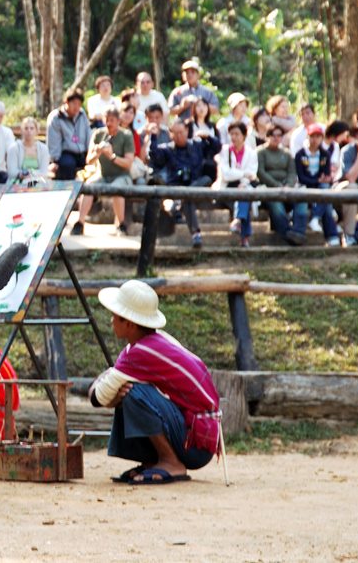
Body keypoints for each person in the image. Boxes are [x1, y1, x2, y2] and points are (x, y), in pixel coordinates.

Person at [89, 280, 219, 485]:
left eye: (115, 316)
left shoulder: (138, 354)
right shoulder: (153, 341)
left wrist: (102, 380)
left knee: (133, 392)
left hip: (196, 445)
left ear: (129, 324)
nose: (111, 320)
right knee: (129, 390)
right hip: (201, 436)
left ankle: (171, 462)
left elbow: (97, 397)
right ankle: (155, 460)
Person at [149, 119, 214, 248]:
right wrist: (153, 137)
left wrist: (209, 137)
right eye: (176, 133)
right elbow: (155, 156)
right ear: (171, 134)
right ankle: (196, 235)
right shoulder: (167, 149)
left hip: (196, 186)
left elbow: (216, 148)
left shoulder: (196, 145)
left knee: (206, 179)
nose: (179, 135)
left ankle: (181, 200)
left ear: (187, 131)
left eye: (181, 132)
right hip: (177, 189)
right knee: (187, 199)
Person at [75, 108, 135, 236]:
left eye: (112, 120)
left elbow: (128, 163)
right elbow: (89, 161)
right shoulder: (98, 134)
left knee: (116, 188)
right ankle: (80, 223)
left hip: (122, 176)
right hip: (102, 175)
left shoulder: (126, 135)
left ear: (118, 121)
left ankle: (121, 224)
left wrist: (112, 156)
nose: (109, 123)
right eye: (106, 120)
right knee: (88, 187)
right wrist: (97, 153)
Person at [256, 126, 305, 245]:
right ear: (267, 136)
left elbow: (292, 172)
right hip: (269, 188)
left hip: (287, 187)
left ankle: (298, 231)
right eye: (273, 135)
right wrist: (276, 185)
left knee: (302, 200)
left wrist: (288, 185)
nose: (276, 138)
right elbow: (261, 172)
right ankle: (286, 232)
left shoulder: (287, 153)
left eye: (279, 135)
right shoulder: (260, 152)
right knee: (275, 202)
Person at [294, 124, 341, 246]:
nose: (315, 140)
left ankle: (315, 218)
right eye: (312, 136)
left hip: (320, 186)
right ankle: (332, 234)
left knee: (325, 192)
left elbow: (325, 174)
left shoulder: (325, 154)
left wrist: (322, 180)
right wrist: (317, 181)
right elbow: (301, 176)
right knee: (326, 200)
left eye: (318, 136)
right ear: (308, 137)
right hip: (304, 185)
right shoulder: (300, 155)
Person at [214, 122, 258, 247]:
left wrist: (243, 180)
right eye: (231, 134)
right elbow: (225, 174)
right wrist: (243, 174)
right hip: (226, 187)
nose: (234, 137)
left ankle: (238, 221)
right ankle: (245, 236)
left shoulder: (251, 153)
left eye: (237, 134)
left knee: (244, 193)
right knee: (244, 197)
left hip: (243, 187)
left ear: (244, 136)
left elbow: (252, 173)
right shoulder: (224, 150)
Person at [46, 84, 91, 189]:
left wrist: (90, 152)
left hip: (82, 151)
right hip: (65, 152)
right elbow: (53, 141)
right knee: (67, 165)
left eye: (79, 104)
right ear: (66, 102)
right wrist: (54, 160)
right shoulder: (56, 117)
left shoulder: (82, 114)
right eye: (74, 103)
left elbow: (87, 132)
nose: (76, 107)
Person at [6, 116, 50, 182]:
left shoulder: (43, 149)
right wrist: (23, 175)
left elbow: (44, 172)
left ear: (37, 131)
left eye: (32, 128)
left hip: (38, 182)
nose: (29, 131)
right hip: (17, 182)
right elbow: (12, 172)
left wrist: (31, 175)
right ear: (21, 130)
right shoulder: (13, 148)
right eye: (26, 128)